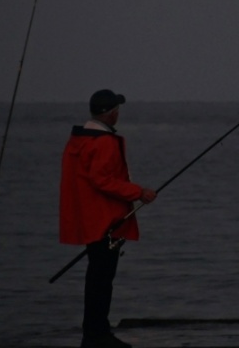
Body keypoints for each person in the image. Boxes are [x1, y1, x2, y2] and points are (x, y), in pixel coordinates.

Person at [60, 89, 156, 348]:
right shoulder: (102, 142)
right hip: (105, 221)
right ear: (109, 114)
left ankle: (94, 331)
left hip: (89, 219)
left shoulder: (79, 140)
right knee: (101, 280)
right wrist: (139, 192)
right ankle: (97, 335)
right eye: (116, 110)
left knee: (96, 279)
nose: (118, 114)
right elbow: (102, 180)